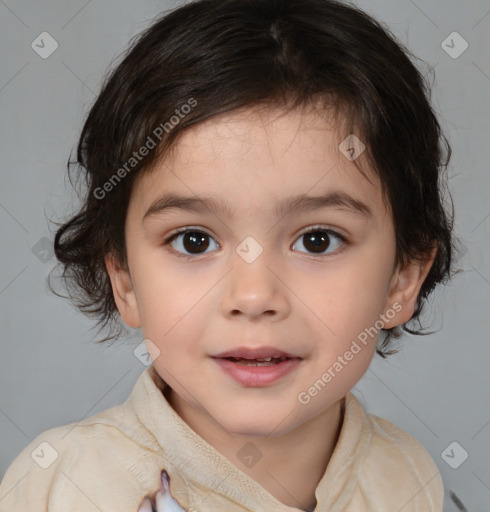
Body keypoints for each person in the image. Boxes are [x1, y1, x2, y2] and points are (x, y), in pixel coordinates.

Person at [0, 0, 461, 510]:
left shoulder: (407, 477)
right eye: (194, 240)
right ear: (124, 279)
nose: (254, 296)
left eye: (317, 240)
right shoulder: (57, 487)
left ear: (402, 280)